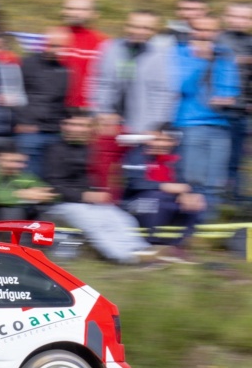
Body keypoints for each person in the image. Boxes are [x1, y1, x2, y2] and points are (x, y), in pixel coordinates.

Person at [44, 111, 155, 264]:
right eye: (72, 124)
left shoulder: (93, 147)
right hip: (63, 204)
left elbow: (120, 137)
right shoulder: (55, 150)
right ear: (64, 126)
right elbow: (54, 185)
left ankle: (142, 251)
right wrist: (85, 196)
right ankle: (124, 257)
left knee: (123, 220)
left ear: (91, 128)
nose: (77, 129)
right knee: (95, 223)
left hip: (91, 203)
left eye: (82, 125)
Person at [174, 15, 239, 220]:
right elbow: (181, 86)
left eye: (209, 30)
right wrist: (200, 62)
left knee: (214, 179)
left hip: (220, 125)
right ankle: (187, 223)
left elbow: (231, 88)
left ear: (217, 32)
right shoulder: (180, 54)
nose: (204, 34)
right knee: (192, 178)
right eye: (200, 29)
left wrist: (227, 98)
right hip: (190, 123)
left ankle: (205, 224)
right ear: (191, 31)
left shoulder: (224, 55)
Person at [90, 10, 178, 137]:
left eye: (146, 28)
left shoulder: (161, 55)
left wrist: (157, 126)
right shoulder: (110, 48)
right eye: (134, 26)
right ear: (126, 26)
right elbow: (101, 82)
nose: (139, 32)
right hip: (109, 123)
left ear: (154, 31)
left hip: (143, 128)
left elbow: (163, 93)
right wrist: (100, 112)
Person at [123, 125, 204, 254]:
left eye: (167, 140)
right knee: (156, 197)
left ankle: (178, 246)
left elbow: (183, 184)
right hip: (132, 205)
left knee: (194, 200)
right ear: (149, 139)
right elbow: (133, 183)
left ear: (174, 142)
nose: (162, 144)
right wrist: (164, 186)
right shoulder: (136, 155)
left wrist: (185, 194)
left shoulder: (175, 160)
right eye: (157, 139)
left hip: (162, 203)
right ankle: (151, 245)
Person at [16, 27, 71, 175]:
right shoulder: (26, 64)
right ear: (43, 43)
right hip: (30, 132)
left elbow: (63, 102)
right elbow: (14, 94)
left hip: (54, 133)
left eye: (61, 46)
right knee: (29, 178)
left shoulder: (66, 70)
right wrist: (19, 122)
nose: (56, 50)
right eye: (52, 45)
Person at [219, 2, 252, 201]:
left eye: (246, 17)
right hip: (219, 110)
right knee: (217, 157)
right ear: (227, 17)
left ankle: (237, 201)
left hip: (244, 112)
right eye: (236, 16)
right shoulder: (217, 40)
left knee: (238, 158)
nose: (240, 21)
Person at [0, 146, 56, 220]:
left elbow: (46, 192)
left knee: (47, 212)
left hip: (21, 211)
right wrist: (22, 194)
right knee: (11, 211)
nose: (18, 165)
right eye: (12, 161)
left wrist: (43, 195)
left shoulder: (24, 175)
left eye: (21, 162)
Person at [60, 0, 106, 109]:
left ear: (94, 14)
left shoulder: (103, 43)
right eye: (71, 9)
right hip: (54, 109)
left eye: (82, 10)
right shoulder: (53, 38)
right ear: (63, 11)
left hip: (87, 110)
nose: (75, 13)